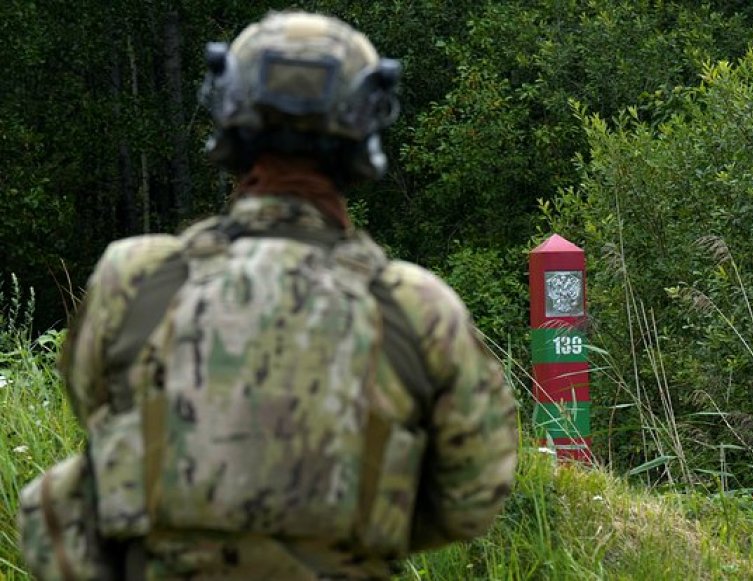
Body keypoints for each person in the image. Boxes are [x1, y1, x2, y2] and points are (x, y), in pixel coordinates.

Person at [18, 10, 517, 581]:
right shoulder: (417, 307)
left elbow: (95, 409)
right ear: (364, 128)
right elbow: (473, 496)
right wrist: (357, 519)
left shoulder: (135, 278)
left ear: (230, 115)